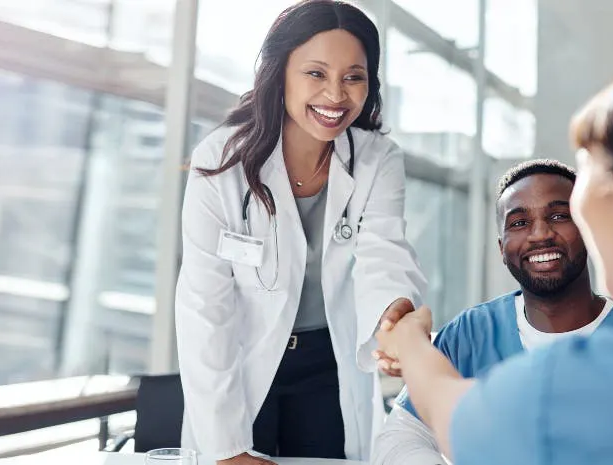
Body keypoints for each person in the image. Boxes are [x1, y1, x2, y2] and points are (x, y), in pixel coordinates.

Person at [375, 51, 613, 464]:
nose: (543, 232)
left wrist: (411, 340)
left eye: (586, 168)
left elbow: (456, 418)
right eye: (519, 222)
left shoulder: (592, 382)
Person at [175, 1, 427, 464]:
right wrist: (227, 449)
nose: (336, 94)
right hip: (240, 364)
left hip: (326, 367)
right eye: (316, 73)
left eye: (354, 76)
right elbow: (203, 306)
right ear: (280, 73)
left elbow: (385, 254)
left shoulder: (377, 159)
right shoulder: (220, 162)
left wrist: (393, 318)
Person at [369, 159, 613, 465]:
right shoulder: (471, 333)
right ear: (502, 249)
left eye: (558, 216)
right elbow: (402, 434)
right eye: (519, 222)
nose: (540, 234)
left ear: (587, 229)